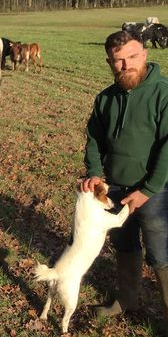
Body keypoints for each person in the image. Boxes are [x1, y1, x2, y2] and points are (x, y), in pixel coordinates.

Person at [81, 30, 168, 323]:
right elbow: (94, 138)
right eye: (118, 61)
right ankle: (128, 300)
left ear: (144, 54)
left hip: (156, 190)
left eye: (132, 57)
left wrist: (148, 189)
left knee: (161, 253)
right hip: (116, 189)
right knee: (124, 245)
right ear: (109, 62)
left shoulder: (164, 93)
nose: (126, 65)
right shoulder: (105, 98)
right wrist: (93, 173)